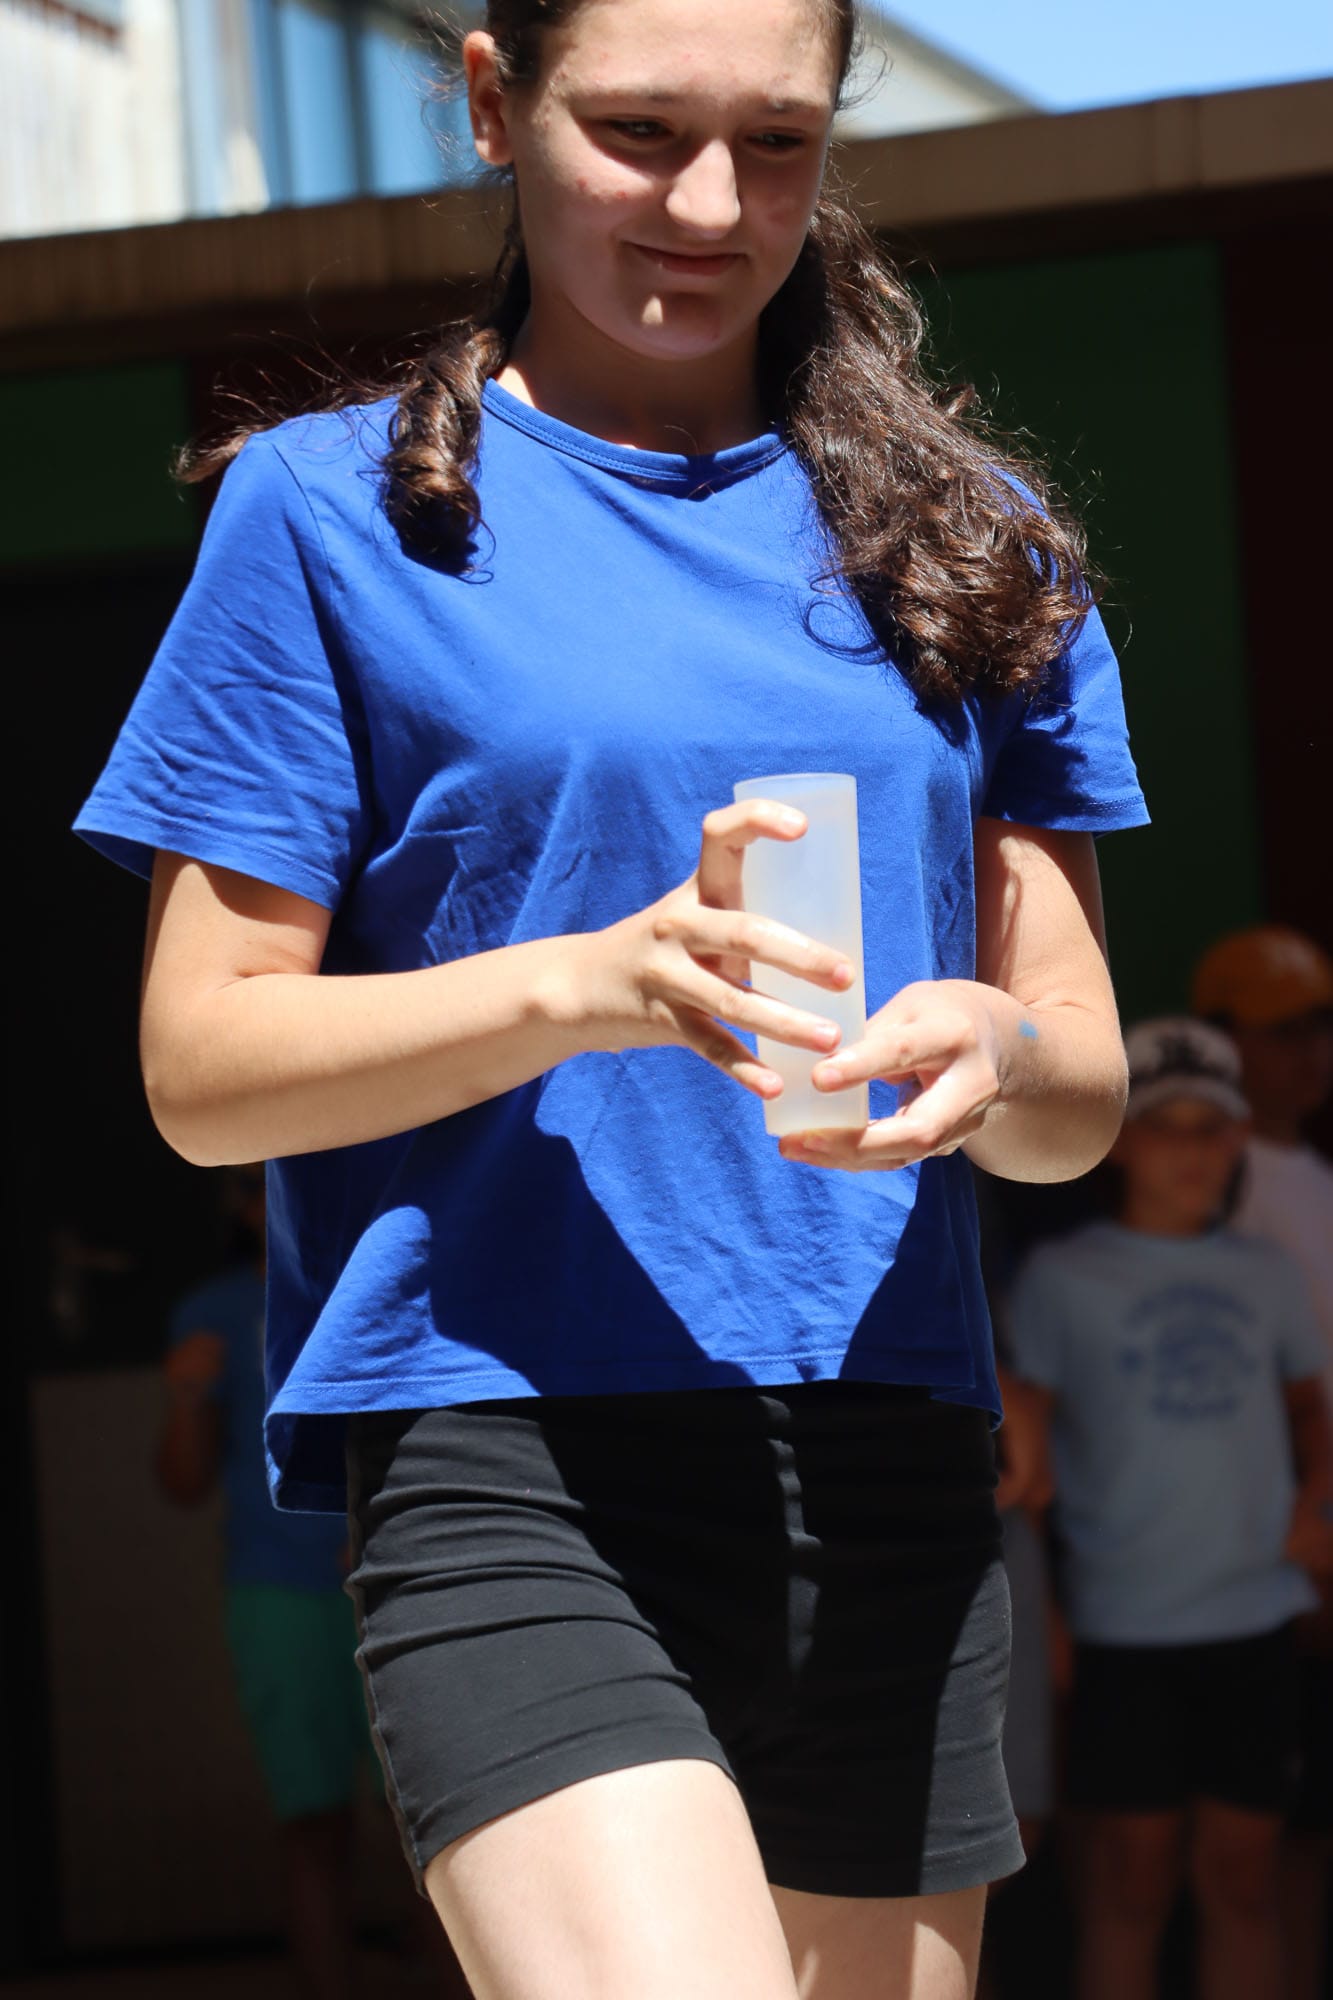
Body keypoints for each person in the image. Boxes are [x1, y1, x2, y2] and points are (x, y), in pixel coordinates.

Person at [72, 3, 1150, 1994]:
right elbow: (203, 1065)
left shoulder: (971, 541)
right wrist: (587, 983)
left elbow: (1077, 1088)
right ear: (496, 102)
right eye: (640, 130)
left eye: (776, 139)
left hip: (887, 1449)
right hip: (502, 1444)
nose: (711, 204)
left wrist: (994, 1050)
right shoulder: (329, 514)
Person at [1008, 1018, 1333, 2000]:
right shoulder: (1059, 1279)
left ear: (1238, 1137)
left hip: (1255, 1614)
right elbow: (1024, 1462)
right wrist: (1047, 1618)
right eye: (1164, 1126)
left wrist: (1314, 1507)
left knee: (1243, 1879)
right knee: (1129, 1886)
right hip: (1121, 1624)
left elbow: (1307, 1408)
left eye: (1210, 1126)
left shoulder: (1266, 1272)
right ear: (1116, 1141)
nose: (1190, 1150)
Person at [158, 1167, 379, 2000]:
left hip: (394, 1578)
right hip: (276, 1592)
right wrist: (186, 1395)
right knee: (312, 1820)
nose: (273, 1194)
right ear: (239, 1206)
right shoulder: (210, 1313)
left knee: (436, 1821)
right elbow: (182, 1484)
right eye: (255, 1183)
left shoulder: (377, 1275)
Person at [1192, 925, 1333, 2000]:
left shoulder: (1311, 1172)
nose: (1310, 1049)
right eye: (1284, 1029)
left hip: (1310, 1532)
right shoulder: (1215, 1177)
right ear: (1224, 1037)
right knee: (1248, 1833)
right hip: (1272, 1552)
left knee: (1307, 1820)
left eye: (1321, 1024)